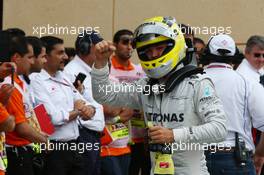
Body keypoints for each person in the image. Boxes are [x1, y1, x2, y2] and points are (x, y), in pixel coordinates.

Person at [90, 16, 227, 175]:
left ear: (174, 45)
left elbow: (219, 129)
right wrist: (100, 63)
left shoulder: (198, 84)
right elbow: (104, 95)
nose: (153, 54)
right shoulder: (146, 86)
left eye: (159, 47)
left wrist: (173, 135)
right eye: (147, 50)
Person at [31, 36, 96, 175]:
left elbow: (82, 102)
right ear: (46, 56)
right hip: (53, 150)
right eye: (60, 53)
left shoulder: (64, 77)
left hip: (75, 145)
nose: (66, 57)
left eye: (65, 52)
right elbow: (51, 118)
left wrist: (89, 109)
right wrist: (78, 111)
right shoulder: (36, 81)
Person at [202, 33, 264, 175]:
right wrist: (260, 155)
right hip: (235, 159)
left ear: (207, 53)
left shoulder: (191, 81)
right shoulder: (248, 83)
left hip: (196, 158)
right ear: (235, 55)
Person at [0, 32, 47, 175]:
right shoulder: (10, 83)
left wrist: (45, 133)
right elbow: (16, 125)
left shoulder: (23, 81)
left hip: (30, 147)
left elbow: (35, 109)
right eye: (31, 57)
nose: (36, 61)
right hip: (17, 150)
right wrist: (45, 141)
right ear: (16, 58)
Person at [108, 29, 150, 175]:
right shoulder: (109, 69)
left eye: (132, 43)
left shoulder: (140, 71)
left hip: (139, 136)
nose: (129, 47)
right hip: (114, 139)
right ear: (114, 45)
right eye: (125, 42)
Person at [64, 31, 105, 175]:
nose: (102, 50)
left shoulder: (92, 70)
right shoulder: (71, 71)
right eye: (98, 46)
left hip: (93, 136)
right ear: (85, 47)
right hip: (83, 135)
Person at [236, 35, 264, 174]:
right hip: (252, 135)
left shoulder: (256, 70)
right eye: (257, 55)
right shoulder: (244, 76)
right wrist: (259, 153)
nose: (261, 59)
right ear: (246, 53)